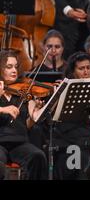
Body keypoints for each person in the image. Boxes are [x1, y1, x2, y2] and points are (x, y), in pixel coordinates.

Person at [0, 50, 47, 180]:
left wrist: (34, 114)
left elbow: (26, 125)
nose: (14, 70)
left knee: (38, 156)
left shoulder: (23, 92)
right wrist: (3, 109)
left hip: (19, 142)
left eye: (16, 66)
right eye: (9, 67)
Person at [51, 52, 90, 180]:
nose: (86, 72)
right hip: (66, 139)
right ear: (73, 71)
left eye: (88, 67)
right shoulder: (65, 87)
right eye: (81, 68)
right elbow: (52, 117)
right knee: (77, 160)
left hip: (87, 140)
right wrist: (58, 95)